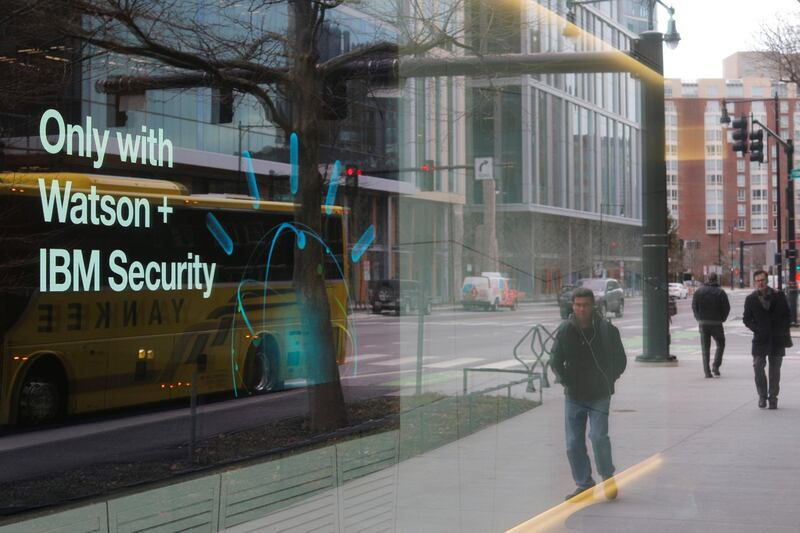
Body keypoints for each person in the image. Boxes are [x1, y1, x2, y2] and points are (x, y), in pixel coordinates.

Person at [550, 287, 627, 501]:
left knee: (598, 437)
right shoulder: (565, 329)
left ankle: (607, 476)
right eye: (577, 305)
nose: (581, 309)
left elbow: (621, 360)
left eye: (585, 305)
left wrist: (609, 379)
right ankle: (584, 484)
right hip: (574, 395)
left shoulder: (606, 330)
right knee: (573, 441)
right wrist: (566, 380)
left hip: (600, 394)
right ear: (573, 306)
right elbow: (555, 360)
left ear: (593, 306)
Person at [743, 270, 792, 409]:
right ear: (755, 282)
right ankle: (762, 396)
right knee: (758, 366)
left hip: (777, 338)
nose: (761, 283)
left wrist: (782, 329)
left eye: (763, 280)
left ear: (767, 280)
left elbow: (788, 315)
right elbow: (746, 319)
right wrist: (756, 329)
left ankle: (773, 398)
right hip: (760, 339)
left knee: (775, 370)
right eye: (758, 280)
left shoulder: (779, 295)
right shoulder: (751, 299)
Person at [691, 273, 730, 378]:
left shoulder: (699, 292)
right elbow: (726, 308)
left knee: (705, 348)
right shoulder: (721, 292)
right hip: (717, 323)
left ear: (707, 279)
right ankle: (716, 366)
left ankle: (707, 372)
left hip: (703, 323)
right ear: (716, 280)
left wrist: (698, 318)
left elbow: (694, 306)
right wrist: (722, 319)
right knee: (720, 344)